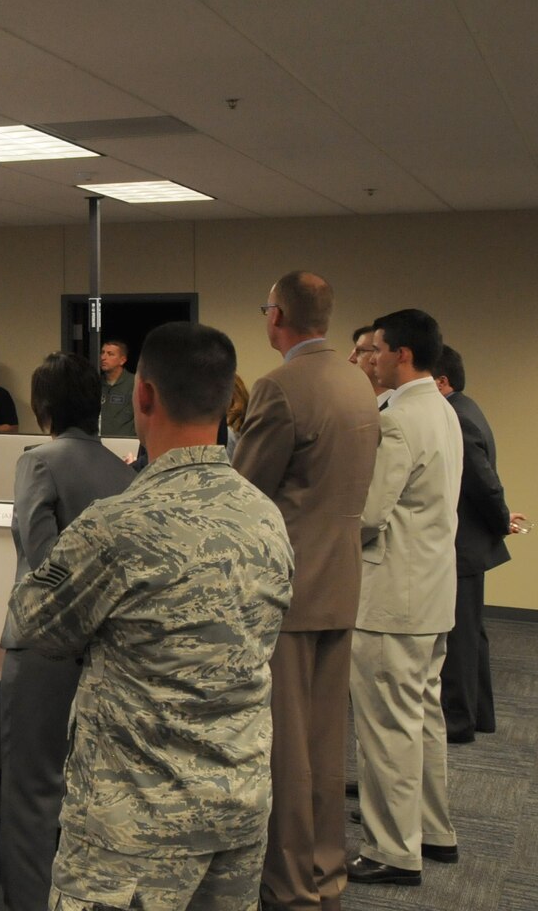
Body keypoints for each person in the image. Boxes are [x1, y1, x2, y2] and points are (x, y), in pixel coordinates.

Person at [11, 322, 292, 910]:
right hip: (238, 803)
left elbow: (37, 624)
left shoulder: (118, 524)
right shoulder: (265, 517)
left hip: (133, 828)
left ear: (143, 396)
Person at [232, 271, 381, 911]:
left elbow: (244, 492)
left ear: (279, 316)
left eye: (267, 308)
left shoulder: (281, 386)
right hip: (341, 583)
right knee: (324, 745)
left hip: (288, 592)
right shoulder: (358, 381)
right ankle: (327, 875)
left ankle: (290, 887)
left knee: (286, 755)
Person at [0, 353, 136, 911]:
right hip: (104, 647)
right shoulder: (122, 471)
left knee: (31, 789)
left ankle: (22, 903)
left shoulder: (39, 462)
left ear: (41, 405)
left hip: (43, 649)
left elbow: (44, 558)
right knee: (89, 788)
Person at [348, 309, 463, 886]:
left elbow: (368, 514)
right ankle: (433, 830)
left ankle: (392, 850)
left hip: (393, 596)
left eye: (376, 349)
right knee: (422, 720)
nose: (370, 357)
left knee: (387, 729)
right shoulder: (441, 409)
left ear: (403, 354)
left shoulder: (396, 421)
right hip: (431, 591)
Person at [432, 346, 519, 744]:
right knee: (473, 635)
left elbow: (484, 483)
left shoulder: (457, 417)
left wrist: (502, 519)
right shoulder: (469, 407)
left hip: (461, 545)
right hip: (471, 544)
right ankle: (479, 713)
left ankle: (458, 721)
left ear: (443, 381)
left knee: (461, 640)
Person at [97, 339, 135, 437]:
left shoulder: (134, 383)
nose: (103, 357)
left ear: (122, 360)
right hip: (99, 443)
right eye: (102, 353)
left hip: (126, 444)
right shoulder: (95, 383)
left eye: (110, 354)